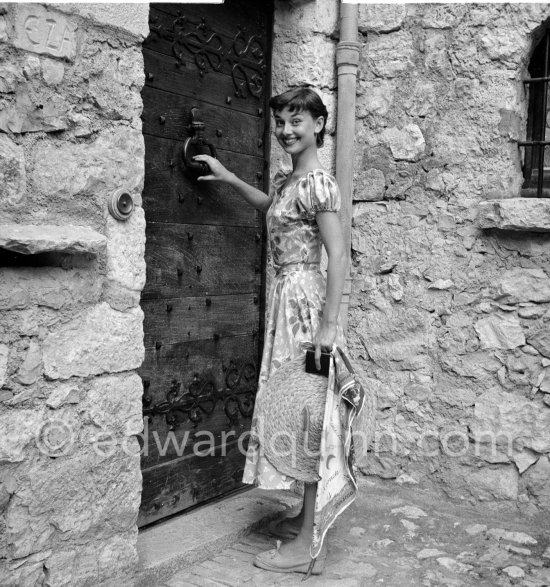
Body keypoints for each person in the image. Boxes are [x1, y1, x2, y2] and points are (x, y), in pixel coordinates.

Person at [193, 86, 347, 576]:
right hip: (286, 299)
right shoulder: (290, 182)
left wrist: (327, 327)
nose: (286, 130)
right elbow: (273, 208)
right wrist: (228, 177)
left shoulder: (320, 183)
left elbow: (339, 255)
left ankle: (307, 543)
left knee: (306, 412)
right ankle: (305, 512)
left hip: (305, 306)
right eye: (280, 122)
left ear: (319, 125)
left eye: (296, 121)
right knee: (292, 404)